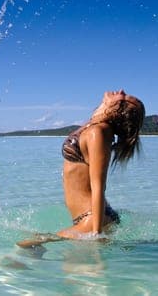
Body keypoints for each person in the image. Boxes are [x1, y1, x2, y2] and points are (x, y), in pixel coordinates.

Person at [17, 90, 145, 247]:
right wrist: (103, 109)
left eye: (125, 98)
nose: (122, 91)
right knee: (39, 250)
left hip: (91, 219)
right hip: (91, 217)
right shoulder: (94, 127)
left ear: (120, 110)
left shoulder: (97, 133)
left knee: (26, 245)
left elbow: (98, 186)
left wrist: (96, 236)